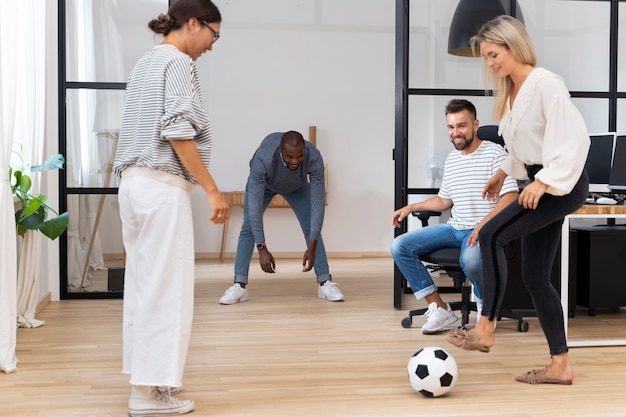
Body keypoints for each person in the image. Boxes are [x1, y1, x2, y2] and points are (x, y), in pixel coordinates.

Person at [446, 16, 590, 386]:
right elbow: (524, 145)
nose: (490, 63)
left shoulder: (546, 85)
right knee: (535, 276)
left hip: (561, 183)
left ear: (514, 46)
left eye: (494, 54)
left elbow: (574, 143)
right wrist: (504, 171)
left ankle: (486, 326)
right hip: (538, 179)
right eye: (486, 58)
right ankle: (561, 365)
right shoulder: (513, 91)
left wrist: (541, 183)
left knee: (493, 234)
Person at [113, 1, 229, 415]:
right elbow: (178, 131)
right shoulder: (179, 61)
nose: (212, 46)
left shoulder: (147, 60)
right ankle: (148, 395)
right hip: (160, 188)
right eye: (213, 35)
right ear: (193, 24)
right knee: (166, 292)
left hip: (133, 186)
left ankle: (147, 386)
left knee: (146, 289)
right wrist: (212, 190)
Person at [391, 99, 518, 334]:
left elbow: (511, 196)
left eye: (461, 126)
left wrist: (483, 226)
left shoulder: (495, 153)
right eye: (451, 127)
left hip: (484, 229)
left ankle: (484, 306)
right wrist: (410, 207)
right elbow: (444, 201)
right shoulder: (452, 159)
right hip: (454, 229)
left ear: (475, 124)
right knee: (400, 246)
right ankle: (440, 309)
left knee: (470, 260)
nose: (455, 132)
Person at [219, 131, 345, 304]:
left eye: (299, 156)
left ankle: (325, 282)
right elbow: (254, 209)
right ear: (280, 150)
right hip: (266, 184)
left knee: (311, 227)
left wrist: (312, 244)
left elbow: (318, 203)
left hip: (297, 186)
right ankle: (239, 285)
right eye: (289, 157)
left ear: (305, 152)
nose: (295, 161)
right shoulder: (263, 158)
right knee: (248, 226)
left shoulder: (314, 157)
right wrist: (262, 248)